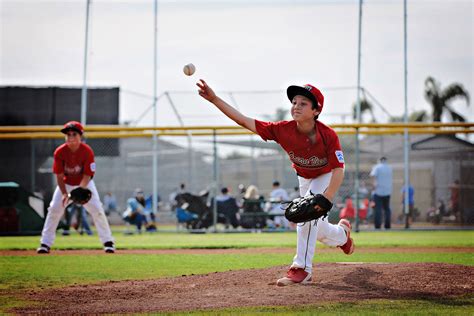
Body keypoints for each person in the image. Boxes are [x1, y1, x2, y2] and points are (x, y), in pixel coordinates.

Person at [197, 79, 354, 286]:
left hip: (325, 176)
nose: (296, 106)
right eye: (294, 102)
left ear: (316, 110)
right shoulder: (282, 129)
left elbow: (338, 169)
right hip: (304, 178)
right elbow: (244, 121)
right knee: (318, 228)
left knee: (306, 217)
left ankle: (302, 269)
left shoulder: (327, 135)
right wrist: (215, 99)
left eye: (303, 103)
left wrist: (327, 197)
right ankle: (342, 236)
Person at [36, 121, 115, 254]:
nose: (71, 136)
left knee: (97, 209)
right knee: (54, 209)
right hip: (66, 184)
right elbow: (60, 176)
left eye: (74, 134)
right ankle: (45, 243)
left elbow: (87, 175)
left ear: (80, 136)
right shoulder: (60, 152)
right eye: (68, 134)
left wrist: (81, 190)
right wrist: (64, 193)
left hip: (85, 183)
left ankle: (108, 242)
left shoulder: (87, 151)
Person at [370, 157, 393, 229]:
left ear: (379, 160)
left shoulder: (377, 167)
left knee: (378, 209)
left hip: (378, 191)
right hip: (387, 191)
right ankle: (387, 225)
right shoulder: (389, 168)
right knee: (387, 209)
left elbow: (373, 176)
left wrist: (373, 187)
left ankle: (377, 226)